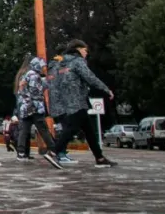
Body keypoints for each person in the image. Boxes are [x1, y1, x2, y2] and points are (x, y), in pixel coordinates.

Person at [49, 40, 117, 168]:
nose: (86, 53)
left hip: (67, 101)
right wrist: (106, 89)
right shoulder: (77, 61)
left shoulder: (61, 64)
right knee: (72, 128)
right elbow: (90, 77)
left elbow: (55, 84)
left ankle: (100, 158)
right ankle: (53, 152)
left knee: (89, 131)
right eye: (85, 50)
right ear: (78, 49)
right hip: (78, 101)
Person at [15, 56, 62, 169]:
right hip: (35, 107)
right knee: (43, 129)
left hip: (25, 107)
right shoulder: (34, 76)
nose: (43, 68)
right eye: (42, 66)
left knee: (24, 131)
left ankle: (21, 153)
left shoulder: (25, 75)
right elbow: (36, 91)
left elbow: (21, 90)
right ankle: (53, 149)